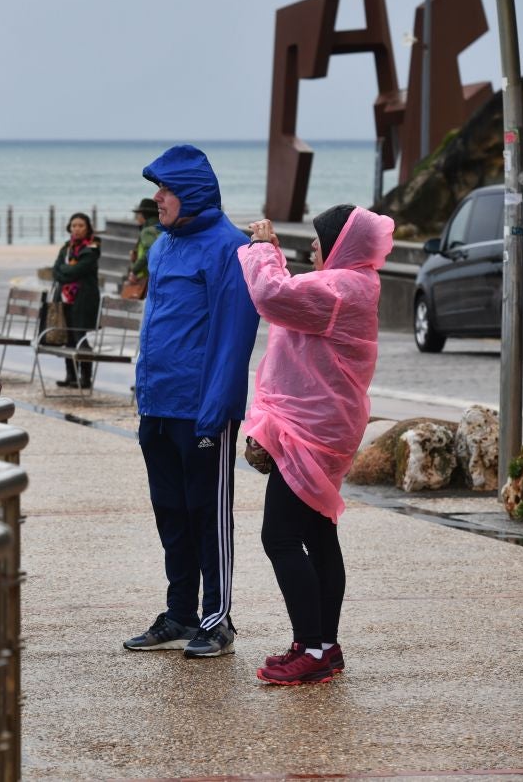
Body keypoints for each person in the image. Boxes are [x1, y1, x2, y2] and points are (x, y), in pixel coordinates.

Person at [239, 206, 393, 685]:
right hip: (323, 429)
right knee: (318, 535)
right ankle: (324, 645)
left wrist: (262, 249)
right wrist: (274, 255)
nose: (312, 246)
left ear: (341, 244)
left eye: (320, 238)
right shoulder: (351, 284)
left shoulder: (342, 289)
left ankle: (311, 649)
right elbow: (294, 296)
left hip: (312, 434)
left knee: (279, 537)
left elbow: (272, 295)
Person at [123, 144, 259, 658]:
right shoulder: (162, 247)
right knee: (170, 513)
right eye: (157, 188)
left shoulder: (230, 248)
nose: (157, 198)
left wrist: (217, 407)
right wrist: (144, 392)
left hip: (201, 410)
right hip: (157, 404)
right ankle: (180, 613)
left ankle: (217, 619)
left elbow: (234, 335)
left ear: (192, 193)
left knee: (208, 515)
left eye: (166, 189)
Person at [50, 212, 100, 389]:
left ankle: (85, 378)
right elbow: (55, 270)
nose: (77, 229)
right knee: (68, 337)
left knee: (81, 337)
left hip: (84, 300)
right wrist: (65, 272)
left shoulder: (92, 248)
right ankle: (71, 376)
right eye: (74, 226)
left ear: (88, 228)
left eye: (81, 225)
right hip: (65, 298)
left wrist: (64, 272)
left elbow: (77, 270)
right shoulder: (66, 248)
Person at [124, 197, 161, 297]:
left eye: (138, 215)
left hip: (147, 278)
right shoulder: (161, 229)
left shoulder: (147, 231)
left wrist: (134, 270)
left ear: (144, 215)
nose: (137, 218)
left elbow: (150, 251)